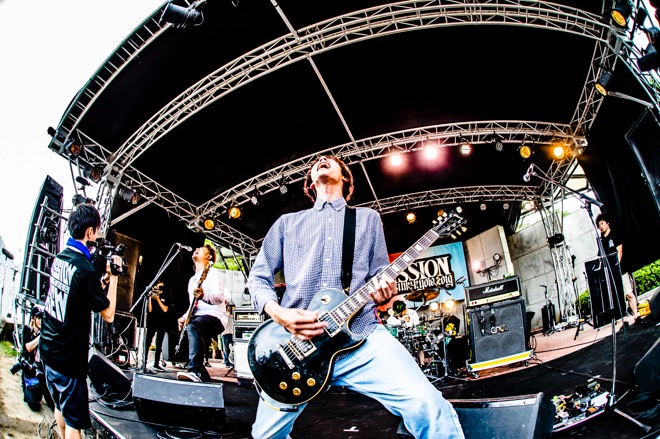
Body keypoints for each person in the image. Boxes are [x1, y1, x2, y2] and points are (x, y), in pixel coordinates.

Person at [247, 155, 464, 439]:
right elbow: (258, 277)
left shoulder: (367, 219)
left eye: (330, 159)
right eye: (317, 162)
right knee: (265, 436)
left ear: (345, 177)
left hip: (361, 338)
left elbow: (379, 275)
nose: (321, 159)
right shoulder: (287, 224)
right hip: (295, 346)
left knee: (428, 405)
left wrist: (385, 292)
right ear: (310, 183)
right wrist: (280, 314)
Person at [40, 203, 122, 439]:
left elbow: (78, 293)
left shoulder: (60, 258)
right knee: (74, 423)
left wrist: (100, 281)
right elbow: (108, 314)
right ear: (89, 232)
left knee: (60, 406)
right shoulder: (85, 269)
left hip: (49, 351)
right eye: (96, 230)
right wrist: (114, 278)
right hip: (68, 360)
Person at [176, 244, 228, 383]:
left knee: (194, 327)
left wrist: (204, 295)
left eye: (200, 250)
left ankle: (195, 370)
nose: (196, 250)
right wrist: (184, 317)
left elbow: (220, 298)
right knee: (191, 327)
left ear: (208, 257)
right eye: (196, 249)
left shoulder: (213, 273)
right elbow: (192, 305)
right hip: (198, 317)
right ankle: (202, 376)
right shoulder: (192, 280)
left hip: (215, 316)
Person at [596, 212, 640, 324]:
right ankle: (623, 320)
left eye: (602, 223)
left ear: (607, 223)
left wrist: (617, 267)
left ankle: (636, 315)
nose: (601, 226)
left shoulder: (615, 235)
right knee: (617, 297)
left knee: (628, 293)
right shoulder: (601, 241)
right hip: (610, 272)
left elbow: (619, 252)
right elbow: (601, 256)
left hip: (620, 269)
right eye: (599, 225)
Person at [19, 305, 53, 412]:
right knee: (33, 404)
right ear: (33, 319)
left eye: (43, 318)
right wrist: (41, 336)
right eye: (38, 318)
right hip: (30, 372)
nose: (41, 321)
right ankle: (27, 388)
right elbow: (28, 348)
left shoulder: (47, 333)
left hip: (42, 373)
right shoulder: (27, 330)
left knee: (52, 404)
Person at [145, 280, 171, 371]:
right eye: (157, 288)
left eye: (160, 288)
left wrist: (158, 299)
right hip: (152, 321)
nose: (159, 290)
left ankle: (156, 363)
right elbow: (150, 310)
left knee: (159, 343)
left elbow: (165, 309)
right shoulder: (152, 296)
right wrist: (150, 298)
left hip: (162, 321)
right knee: (148, 341)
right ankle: (144, 361)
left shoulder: (166, 296)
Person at [221, 300, 235, 368]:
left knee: (233, 349)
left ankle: (232, 362)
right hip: (225, 333)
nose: (230, 308)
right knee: (226, 349)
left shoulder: (234, 316)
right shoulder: (224, 314)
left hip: (232, 333)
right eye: (229, 306)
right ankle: (227, 362)